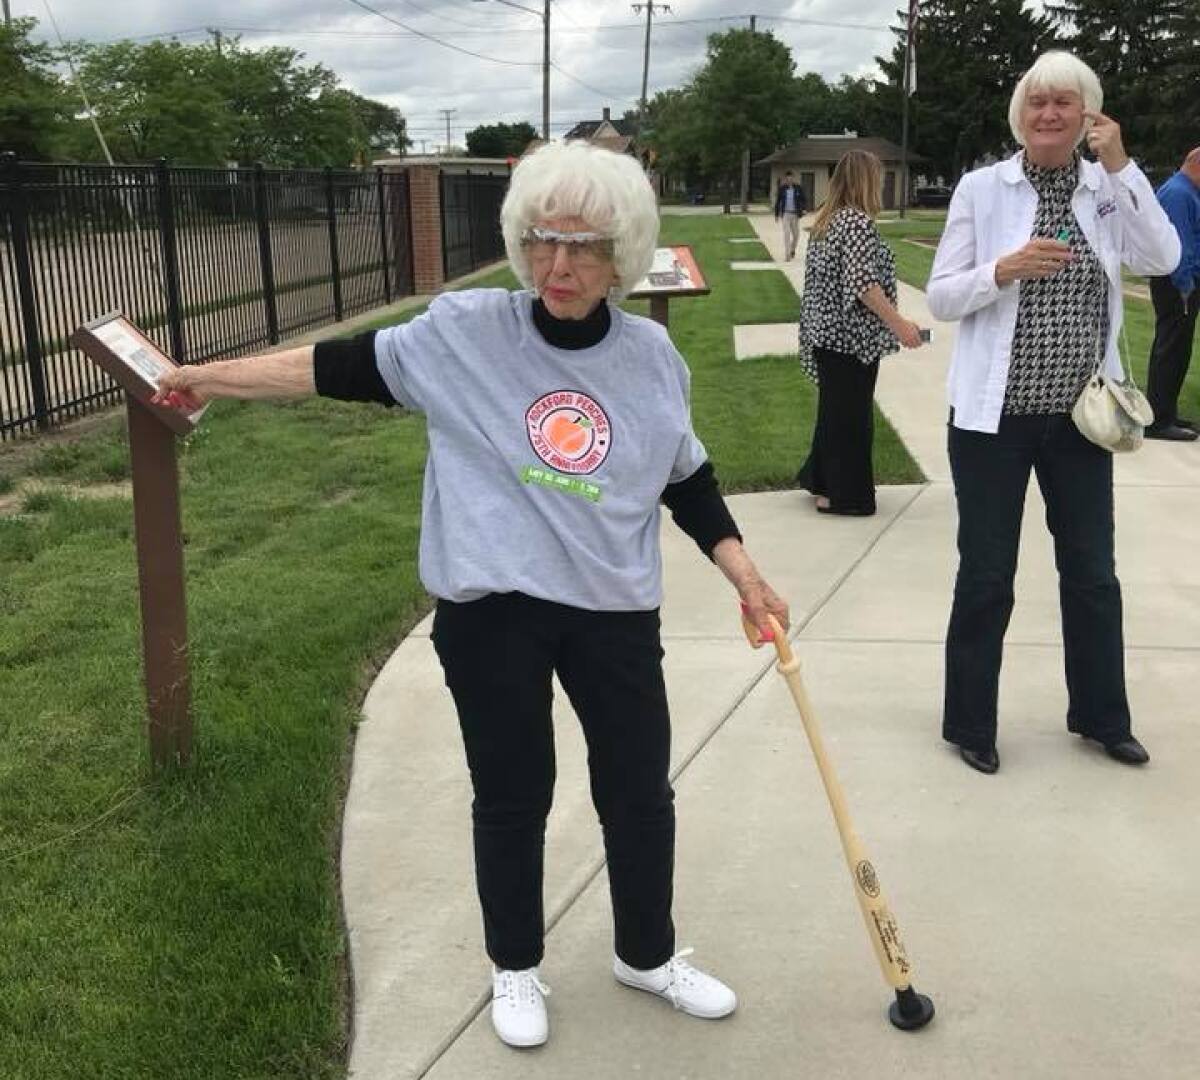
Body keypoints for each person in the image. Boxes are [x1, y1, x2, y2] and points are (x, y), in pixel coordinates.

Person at [152, 141, 790, 1050]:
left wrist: (744, 572)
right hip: (492, 612)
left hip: (611, 610)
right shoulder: (462, 335)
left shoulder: (651, 357)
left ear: (626, 253)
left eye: (586, 246)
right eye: (542, 241)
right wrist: (205, 376)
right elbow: (330, 369)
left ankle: (646, 955)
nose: (560, 266)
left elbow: (685, 477)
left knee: (639, 791)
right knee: (512, 791)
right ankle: (515, 968)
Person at [927, 51, 1181, 775]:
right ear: (1020, 114)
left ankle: (1102, 717)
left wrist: (1123, 165)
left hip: (1080, 422)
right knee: (986, 575)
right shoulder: (983, 189)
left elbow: (1163, 258)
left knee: (1093, 574)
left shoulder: (1106, 190)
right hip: (992, 422)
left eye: (1064, 103)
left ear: (1089, 115)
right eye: (1037, 102)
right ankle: (970, 723)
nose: (1048, 114)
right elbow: (942, 295)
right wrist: (1001, 270)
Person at [794, 150, 925, 516]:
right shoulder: (854, 223)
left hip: (827, 336)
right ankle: (845, 495)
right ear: (866, 180)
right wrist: (899, 325)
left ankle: (822, 482)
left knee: (836, 414)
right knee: (851, 419)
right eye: (878, 177)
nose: (881, 184)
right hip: (849, 341)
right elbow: (863, 284)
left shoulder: (828, 221)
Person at [1144, 147, 1200, 441]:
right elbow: (1180, 246)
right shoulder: (1179, 193)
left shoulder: (1186, 190)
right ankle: (1157, 420)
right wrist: (1185, 284)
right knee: (1171, 349)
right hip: (1177, 283)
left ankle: (1166, 412)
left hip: (1182, 282)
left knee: (1178, 349)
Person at [774, 170, 807, 260]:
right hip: (785, 214)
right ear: (786, 179)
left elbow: (803, 199)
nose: (789, 179)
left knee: (796, 235)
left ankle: (792, 249)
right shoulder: (782, 189)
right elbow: (778, 202)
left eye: (791, 178)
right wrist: (776, 214)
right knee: (787, 233)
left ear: (793, 178)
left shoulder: (798, 188)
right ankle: (787, 254)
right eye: (788, 178)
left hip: (795, 215)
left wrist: (804, 209)